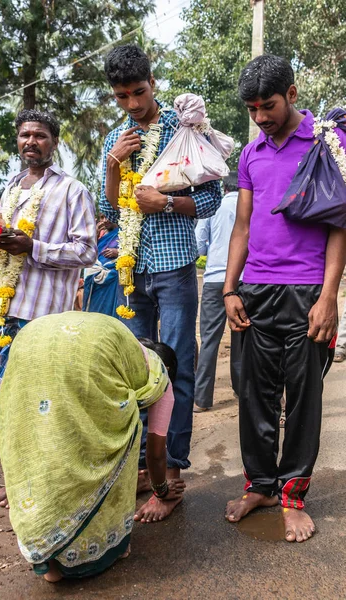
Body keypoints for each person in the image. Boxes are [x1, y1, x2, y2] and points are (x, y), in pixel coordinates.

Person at [223, 55, 346, 543]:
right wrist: (231, 289)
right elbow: (243, 226)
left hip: (307, 292)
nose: (260, 117)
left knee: (303, 399)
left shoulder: (328, 145)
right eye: (252, 109)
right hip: (255, 290)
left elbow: (340, 224)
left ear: (292, 94)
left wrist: (329, 295)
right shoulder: (251, 154)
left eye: (268, 106)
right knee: (253, 393)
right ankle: (261, 485)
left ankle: (293, 494)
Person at [100, 45, 222, 512]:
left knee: (176, 367)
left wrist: (167, 203)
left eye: (139, 92)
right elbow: (112, 209)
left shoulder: (182, 128)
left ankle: (170, 474)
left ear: (153, 81)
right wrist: (114, 164)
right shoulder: (117, 137)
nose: (132, 104)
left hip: (172, 267)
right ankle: (140, 468)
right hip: (130, 270)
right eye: (121, 96)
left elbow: (211, 198)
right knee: (133, 374)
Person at [0, 311, 185, 582]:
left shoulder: (125, 348)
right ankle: (94, 554)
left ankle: (43, 554)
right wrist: (161, 490)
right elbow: (155, 453)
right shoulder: (159, 377)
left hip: (29, 341)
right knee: (118, 437)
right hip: (83, 350)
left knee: (46, 443)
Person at [0, 109, 97, 507]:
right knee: (7, 404)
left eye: (40, 135)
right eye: (25, 135)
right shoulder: (9, 189)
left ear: (54, 142)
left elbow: (87, 250)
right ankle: (20, 478)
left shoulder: (72, 190)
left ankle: (31, 482)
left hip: (41, 315)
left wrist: (34, 247)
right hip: (0, 311)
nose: (31, 142)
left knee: (21, 404)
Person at [193, 173, 242, 413]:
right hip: (243, 279)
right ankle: (241, 390)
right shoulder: (249, 205)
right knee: (241, 337)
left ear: (223, 188)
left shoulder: (214, 206)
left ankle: (202, 399)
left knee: (210, 339)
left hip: (214, 279)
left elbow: (199, 245)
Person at [82, 214, 119, 316]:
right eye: (102, 217)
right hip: (95, 281)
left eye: (108, 217)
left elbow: (132, 253)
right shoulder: (102, 235)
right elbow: (88, 254)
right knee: (94, 313)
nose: (105, 220)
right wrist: (95, 235)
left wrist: (118, 252)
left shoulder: (125, 233)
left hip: (113, 280)